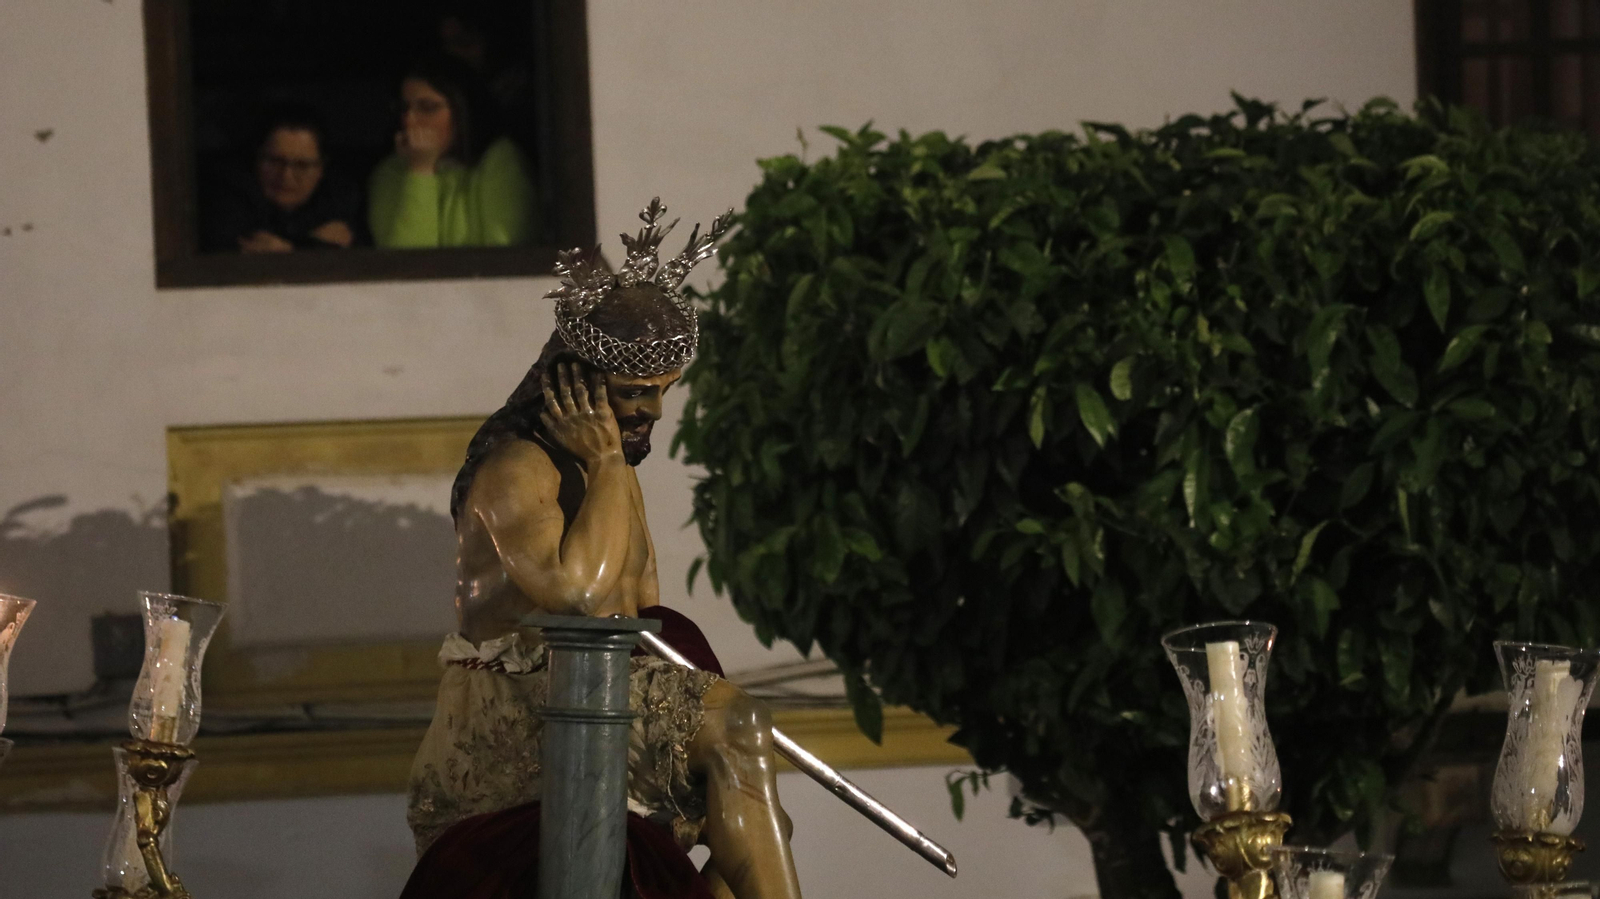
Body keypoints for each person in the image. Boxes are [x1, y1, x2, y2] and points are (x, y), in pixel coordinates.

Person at [401, 201, 803, 899]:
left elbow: (645, 606)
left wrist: (612, 468)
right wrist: (610, 463)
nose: (653, 411)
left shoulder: (611, 471)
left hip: (605, 694)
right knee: (739, 725)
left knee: (756, 813)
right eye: (634, 392)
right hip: (521, 710)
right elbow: (581, 599)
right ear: (575, 382)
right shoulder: (517, 469)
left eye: (665, 391)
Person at [368, 56, 535, 248]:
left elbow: (506, 254)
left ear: (462, 109)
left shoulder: (500, 161)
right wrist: (420, 170)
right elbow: (407, 259)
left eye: (427, 108)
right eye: (403, 108)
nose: (409, 121)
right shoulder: (391, 171)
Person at [200, 105, 365, 253]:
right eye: (274, 161)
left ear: (321, 168)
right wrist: (315, 246)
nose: (286, 175)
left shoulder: (339, 199)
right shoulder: (232, 191)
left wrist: (289, 250)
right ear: (256, 159)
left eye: (302, 165)